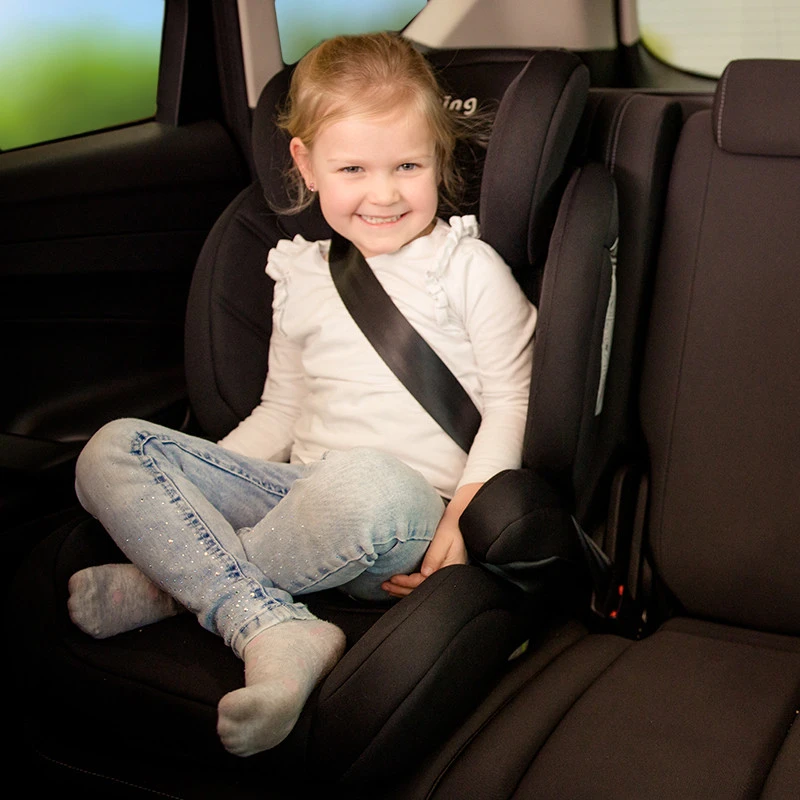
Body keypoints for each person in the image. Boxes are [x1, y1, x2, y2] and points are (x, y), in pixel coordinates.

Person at [67, 32, 536, 758]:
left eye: (408, 166)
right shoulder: (302, 274)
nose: (384, 193)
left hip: (407, 512)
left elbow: (513, 400)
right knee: (111, 449)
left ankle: (178, 586)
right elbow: (280, 413)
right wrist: (203, 483)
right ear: (307, 164)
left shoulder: (467, 268)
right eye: (353, 169)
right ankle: (269, 620)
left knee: (367, 484)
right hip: (292, 494)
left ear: (439, 159)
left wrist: (466, 517)